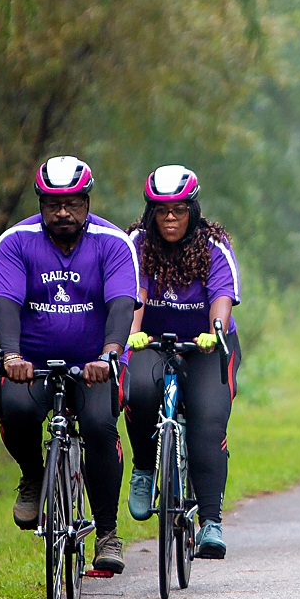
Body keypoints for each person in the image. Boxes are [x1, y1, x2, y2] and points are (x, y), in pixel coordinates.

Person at [0, 155, 139, 575]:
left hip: (95, 365)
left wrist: (109, 353)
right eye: (53, 203)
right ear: (40, 203)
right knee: (14, 406)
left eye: (72, 203)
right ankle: (34, 477)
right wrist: (12, 356)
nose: (63, 212)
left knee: (99, 426)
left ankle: (107, 533)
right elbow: (5, 304)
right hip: (32, 365)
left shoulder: (112, 243)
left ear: (87, 202)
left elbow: (122, 304)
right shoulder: (16, 242)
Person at [122, 164, 242, 559]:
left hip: (206, 344)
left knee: (207, 419)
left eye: (178, 210)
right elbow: (133, 292)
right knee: (138, 391)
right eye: (161, 211)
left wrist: (217, 330)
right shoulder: (137, 242)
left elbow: (222, 294)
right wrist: (132, 332)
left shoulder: (212, 244)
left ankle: (211, 521)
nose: (170, 218)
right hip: (151, 342)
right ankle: (143, 468)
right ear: (149, 213)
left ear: (193, 209)